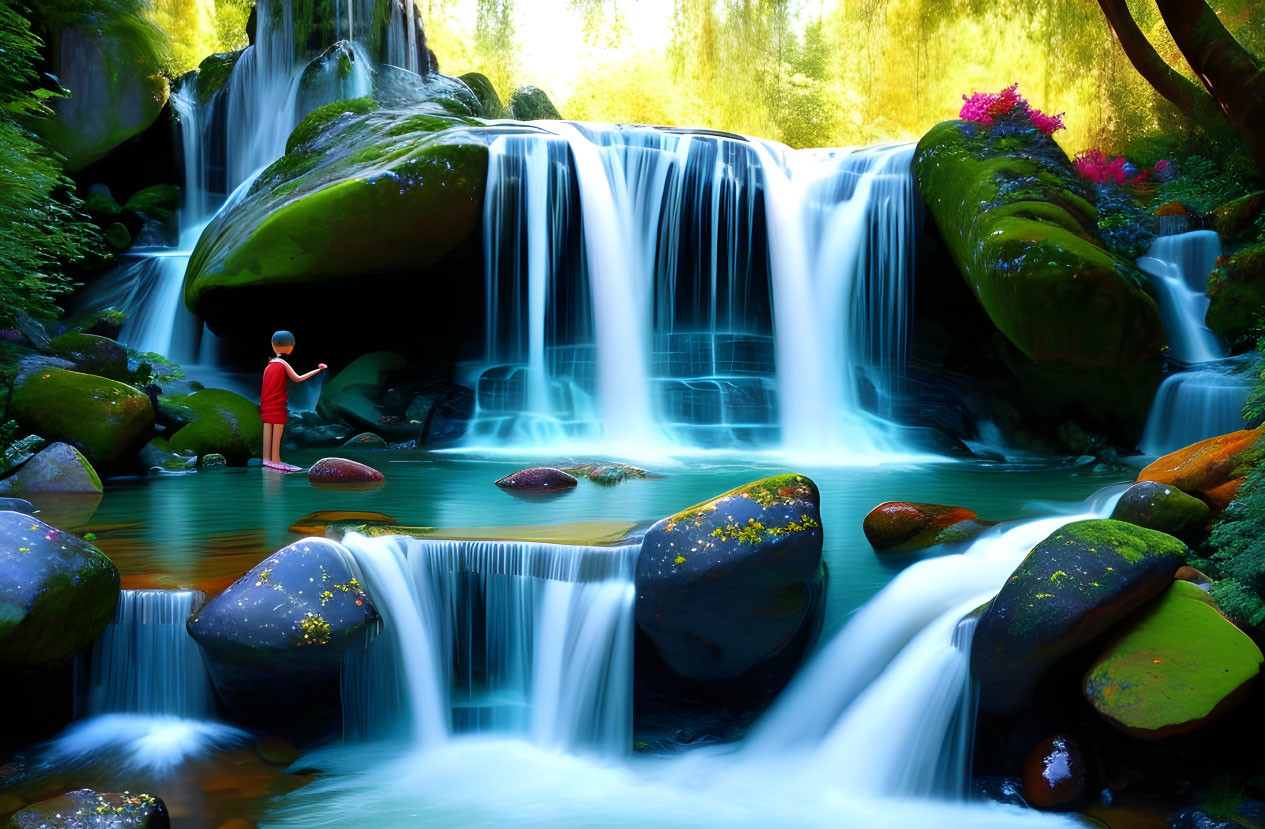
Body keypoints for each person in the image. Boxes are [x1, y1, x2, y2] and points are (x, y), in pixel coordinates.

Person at [261, 330, 326, 471]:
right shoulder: (282, 364)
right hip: (277, 405)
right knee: (277, 429)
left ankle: (266, 459)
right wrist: (317, 370)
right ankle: (276, 460)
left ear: (273, 344)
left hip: (267, 404)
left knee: (268, 428)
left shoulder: (270, 364)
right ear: (290, 346)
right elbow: (298, 378)